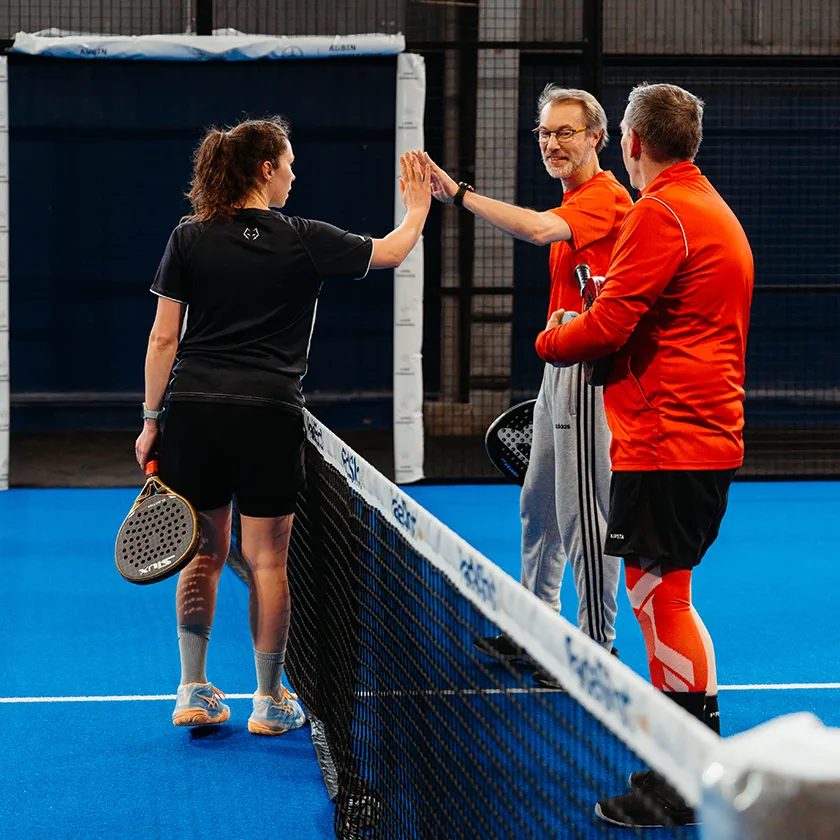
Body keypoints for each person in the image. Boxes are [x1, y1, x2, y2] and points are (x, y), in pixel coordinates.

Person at [134, 116, 431, 735]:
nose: (295, 174)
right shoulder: (303, 238)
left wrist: (150, 419)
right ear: (265, 169)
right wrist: (419, 205)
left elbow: (165, 337)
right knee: (267, 560)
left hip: (194, 411)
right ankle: (269, 701)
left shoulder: (188, 237)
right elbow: (395, 251)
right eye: (289, 163)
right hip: (270, 415)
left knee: (205, 552)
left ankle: (192, 689)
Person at [535, 83, 754, 827]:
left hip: (669, 442)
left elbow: (603, 328)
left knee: (660, 604)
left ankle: (680, 776)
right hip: (695, 436)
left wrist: (551, 335)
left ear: (629, 142)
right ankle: (698, 755)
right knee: (667, 600)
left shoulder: (661, 213)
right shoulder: (709, 208)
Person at [420, 86, 632, 685]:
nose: (552, 143)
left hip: (588, 372)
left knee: (583, 514)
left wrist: (457, 194)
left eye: (566, 132)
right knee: (538, 506)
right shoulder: (576, 198)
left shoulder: (604, 198)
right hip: (558, 367)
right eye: (544, 133)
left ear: (596, 136)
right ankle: (538, 630)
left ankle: (596, 650)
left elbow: (538, 231)